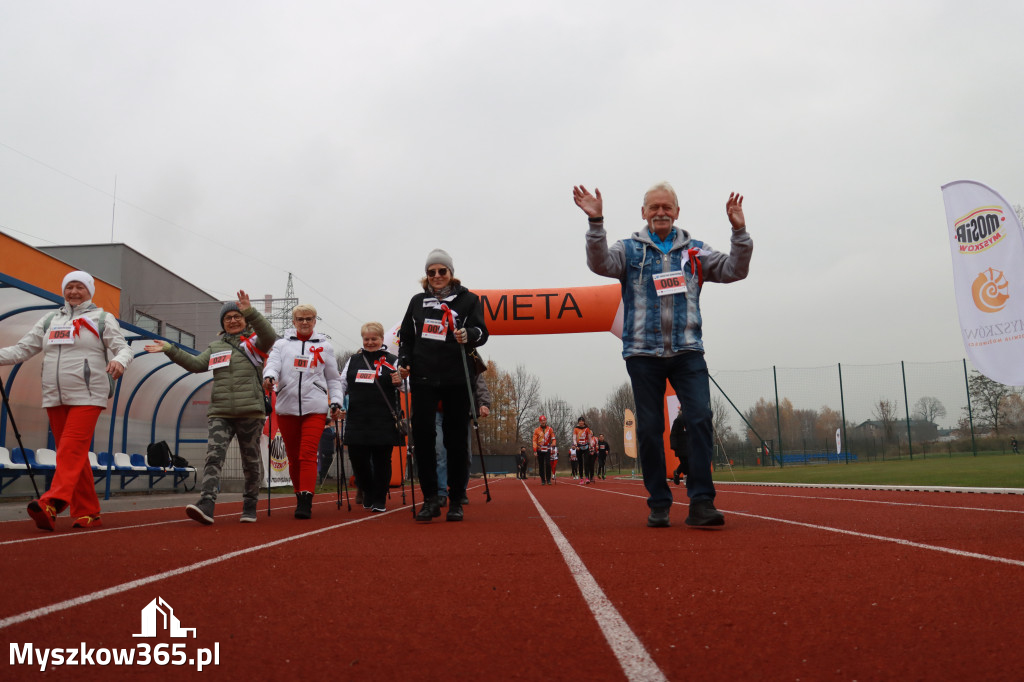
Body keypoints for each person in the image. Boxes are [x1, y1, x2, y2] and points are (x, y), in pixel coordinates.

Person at [574, 181, 752, 528]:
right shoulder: (629, 250)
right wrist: (596, 223)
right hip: (642, 354)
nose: (660, 213)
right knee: (651, 429)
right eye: (653, 207)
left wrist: (739, 230)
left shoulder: (695, 252)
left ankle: (701, 502)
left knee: (700, 418)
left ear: (677, 212)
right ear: (643, 213)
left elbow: (735, 270)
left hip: (687, 352)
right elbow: (599, 264)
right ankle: (659, 502)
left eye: (666, 207)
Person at [0, 270, 132, 531]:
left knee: (70, 449)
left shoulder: (102, 319)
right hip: (54, 396)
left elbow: (123, 347)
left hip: (89, 394)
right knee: (74, 455)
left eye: (79, 287)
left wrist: (119, 360)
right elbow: (22, 349)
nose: (73, 292)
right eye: (69, 287)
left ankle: (52, 502)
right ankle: (88, 512)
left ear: (89, 291)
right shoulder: (50, 320)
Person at [146, 290, 277, 525]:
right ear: (222, 323)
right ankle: (206, 502)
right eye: (228, 317)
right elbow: (196, 365)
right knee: (213, 457)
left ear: (245, 319)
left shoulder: (256, 342)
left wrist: (251, 311)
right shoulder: (216, 346)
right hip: (221, 412)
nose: (234, 320)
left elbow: (270, 335)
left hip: (251, 411)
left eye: (238, 316)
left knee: (251, 461)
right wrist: (171, 350)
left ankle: (249, 505)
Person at [398, 249, 489, 523]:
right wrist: (404, 361)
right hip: (424, 380)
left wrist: (469, 333)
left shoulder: (468, 300)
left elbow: (482, 332)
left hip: (456, 379)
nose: (436, 276)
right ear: (426, 276)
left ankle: (456, 498)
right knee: (424, 440)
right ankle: (430, 499)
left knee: (455, 440)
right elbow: (406, 337)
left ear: (451, 273)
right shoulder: (417, 302)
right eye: (431, 272)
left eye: (442, 271)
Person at [262, 304, 343, 519]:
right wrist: (269, 377)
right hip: (286, 407)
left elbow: (334, 379)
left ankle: (307, 499)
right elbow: (273, 364)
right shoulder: (281, 345)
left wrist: (336, 401)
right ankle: (299, 495)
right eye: (300, 318)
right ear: (294, 321)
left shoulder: (325, 346)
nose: (305, 322)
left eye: (309, 318)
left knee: (307, 453)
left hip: (315, 407)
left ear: (315, 320)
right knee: (293, 456)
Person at [339, 322, 403, 514]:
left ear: (382, 339)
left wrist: (400, 381)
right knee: (358, 460)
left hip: (383, 418)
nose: (370, 342)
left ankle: (379, 497)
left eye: (374, 339)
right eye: (366, 339)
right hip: (357, 418)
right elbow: (341, 384)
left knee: (382, 460)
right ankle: (367, 490)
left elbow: (406, 387)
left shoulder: (393, 360)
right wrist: (336, 404)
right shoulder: (353, 360)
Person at [436, 373, 490, 507]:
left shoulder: (468, 353)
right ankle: (441, 492)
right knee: (440, 452)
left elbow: (478, 379)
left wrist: (484, 403)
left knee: (465, 454)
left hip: (460, 410)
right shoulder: (433, 353)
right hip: (437, 411)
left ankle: (460, 490)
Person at [531, 415, 555, 485]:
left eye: (544, 420)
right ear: (540, 421)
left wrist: (553, 445)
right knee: (541, 465)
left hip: (547, 448)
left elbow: (553, 438)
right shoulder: (536, 430)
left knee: (548, 464)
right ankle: (543, 479)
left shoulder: (550, 429)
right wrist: (535, 450)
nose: (543, 422)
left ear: (546, 420)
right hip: (539, 449)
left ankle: (548, 479)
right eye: (541, 421)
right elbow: (534, 441)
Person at [669, 410, 690, 486]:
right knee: (685, 463)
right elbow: (673, 433)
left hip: (688, 445)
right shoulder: (678, 420)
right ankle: (686, 479)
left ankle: (677, 473)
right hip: (680, 446)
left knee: (687, 463)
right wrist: (673, 445)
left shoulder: (691, 420)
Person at [573, 417, 595, 484]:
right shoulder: (576, 429)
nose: (581, 422)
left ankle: (587, 478)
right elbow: (574, 438)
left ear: (584, 422)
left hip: (586, 447)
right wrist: (576, 445)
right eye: (580, 421)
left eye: (582, 421)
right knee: (580, 463)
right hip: (579, 447)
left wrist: (591, 446)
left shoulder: (587, 429)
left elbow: (590, 439)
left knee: (586, 463)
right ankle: (581, 479)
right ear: (578, 422)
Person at [317, 418, 335, 485]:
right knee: (326, 460)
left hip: (328, 447)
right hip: (326, 447)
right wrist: (334, 434)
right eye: (330, 422)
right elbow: (329, 437)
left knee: (328, 460)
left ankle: (325, 473)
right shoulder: (325, 429)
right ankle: (323, 473)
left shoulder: (328, 429)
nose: (331, 423)